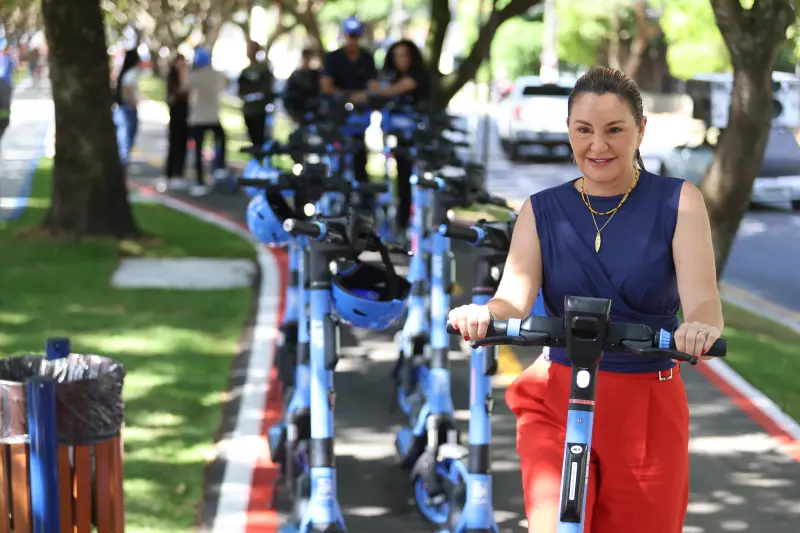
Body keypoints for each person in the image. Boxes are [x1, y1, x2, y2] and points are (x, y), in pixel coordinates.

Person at [447, 67, 724, 533]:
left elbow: (703, 304)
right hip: (557, 398)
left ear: (641, 130)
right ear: (569, 131)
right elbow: (512, 299)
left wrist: (699, 328)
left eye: (614, 130)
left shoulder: (680, 202)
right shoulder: (540, 209)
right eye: (584, 130)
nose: (598, 145)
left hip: (647, 408)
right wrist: (482, 314)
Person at [360, 39, 429, 237]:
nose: (402, 60)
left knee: (417, 182)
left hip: (418, 139)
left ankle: (415, 224)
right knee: (401, 180)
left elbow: (388, 90)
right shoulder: (392, 77)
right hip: (397, 139)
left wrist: (374, 88)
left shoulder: (418, 77)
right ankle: (402, 223)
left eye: (405, 55)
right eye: (398, 56)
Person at [320, 16, 377, 185]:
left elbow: (373, 85)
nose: (353, 41)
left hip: (359, 115)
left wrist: (363, 95)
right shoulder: (333, 58)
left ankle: (362, 191)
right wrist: (348, 95)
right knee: (336, 153)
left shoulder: (367, 58)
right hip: (337, 114)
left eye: (356, 36)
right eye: (350, 36)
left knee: (359, 155)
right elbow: (326, 86)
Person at [182, 46, 228, 196]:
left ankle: (201, 180)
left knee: (198, 151)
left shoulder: (195, 76)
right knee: (220, 140)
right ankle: (218, 167)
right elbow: (226, 83)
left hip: (198, 119)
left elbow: (184, 87)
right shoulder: (216, 75)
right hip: (212, 117)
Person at [237, 40, 275, 147]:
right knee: (253, 138)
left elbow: (268, 90)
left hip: (260, 110)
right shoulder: (245, 71)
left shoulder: (263, 69)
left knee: (260, 139)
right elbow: (241, 91)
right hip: (248, 110)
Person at [162, 54, 189, 191]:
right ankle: (170, 172)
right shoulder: (172, 78)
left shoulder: (186, 75)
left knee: (183, 144)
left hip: (185, 114)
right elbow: (173, 96)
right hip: (176, 113)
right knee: (174, 143)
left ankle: (179, 172)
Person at [115, 49, 142, 167]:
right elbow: (128, 88)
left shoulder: (126, 72)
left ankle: (123, 166)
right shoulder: (132, 73)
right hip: (127, 109)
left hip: (124, 108)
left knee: (125, 139)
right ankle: (123, 166)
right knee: (126, 140)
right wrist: (132, 102)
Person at [284, 47, 321, 123]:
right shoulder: (295, 75)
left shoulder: (315, 74)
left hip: (313, 112)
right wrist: (292, 114)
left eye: (308, 58)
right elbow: (288, 95)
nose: (307, 60)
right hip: (299, 111)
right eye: (305, 58)